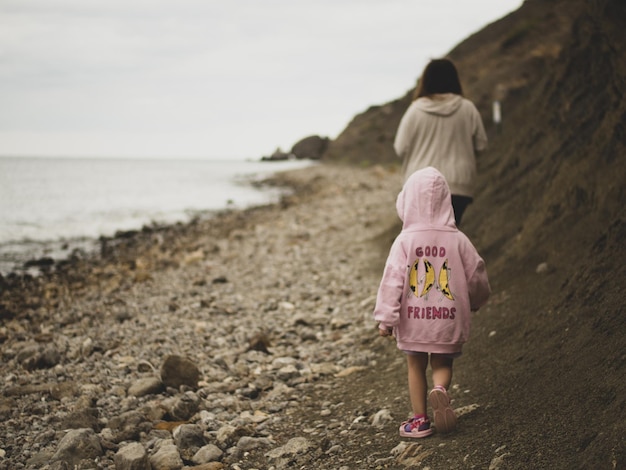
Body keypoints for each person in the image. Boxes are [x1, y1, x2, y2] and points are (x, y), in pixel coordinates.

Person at [373, 167, 491, 438]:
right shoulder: (458, 239)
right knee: (442, 363)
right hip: (447, 319)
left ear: (408, 202)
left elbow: (392, 280)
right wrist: (477, 299)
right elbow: (476, 272)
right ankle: (440, 390)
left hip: (413, 321)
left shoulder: (404, 240)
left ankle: (420, 421)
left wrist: (386, 319)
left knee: (415, 365)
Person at [394, 58, 487, 226]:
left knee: (422, 237)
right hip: (459, 183)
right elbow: (481, 145)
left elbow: (400, 148)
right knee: (451, 233)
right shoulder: (468, 108)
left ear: (426, 81)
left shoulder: (415, 110)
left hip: (420, 184)